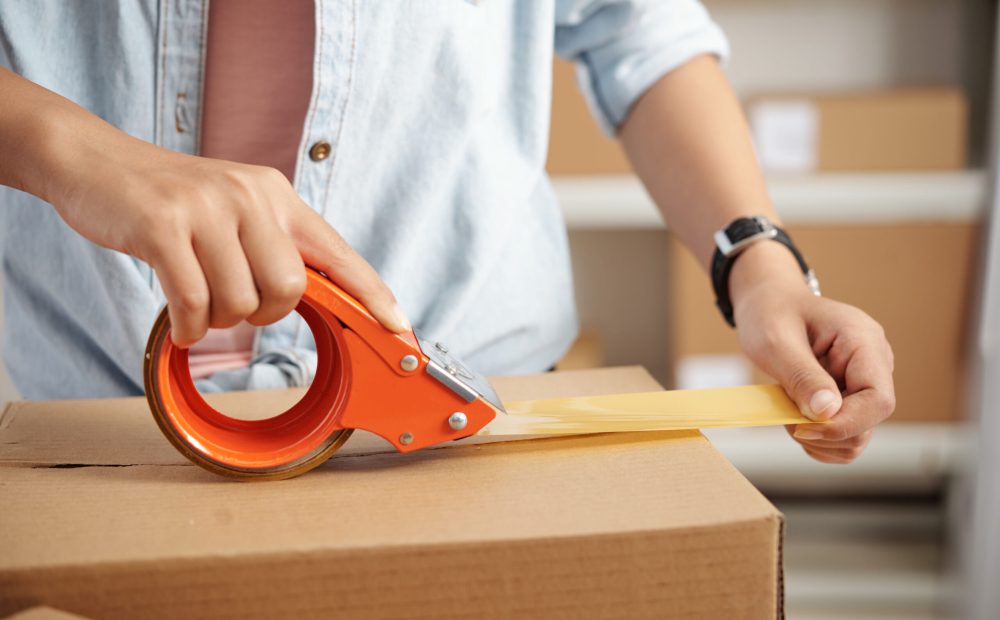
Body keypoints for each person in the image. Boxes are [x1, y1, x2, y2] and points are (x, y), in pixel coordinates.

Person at [0, 0, 894, 464]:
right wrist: (71, 149)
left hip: (469, 410)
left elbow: (638, 28)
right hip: (92, 421)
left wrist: (759, 263)